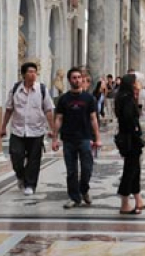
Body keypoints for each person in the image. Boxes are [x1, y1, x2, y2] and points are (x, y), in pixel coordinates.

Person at [1, 62, 55, 196]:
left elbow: (48, 110)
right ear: (23, 74)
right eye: (30, 72)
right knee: (16, 157)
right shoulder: (15, 90)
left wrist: (52, 129)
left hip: (36, 130)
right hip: (18, 130)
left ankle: (30, 184)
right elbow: (9, 109)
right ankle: (21, 176)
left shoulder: (42, 90)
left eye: (34, 72)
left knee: (34, 160)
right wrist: (3, 127)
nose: (33, 74)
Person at [52, 67, 102, 208]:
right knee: (71, 170)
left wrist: (97, 138)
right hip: (68, 138)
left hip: (85, 138)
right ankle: (74, 197)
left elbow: (93, 118)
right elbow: (59, 119)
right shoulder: (64, 99)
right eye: (74, 78)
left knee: (87, 168)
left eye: (79, 77)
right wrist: (55, 139)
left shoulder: (89, 98)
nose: (77, 80)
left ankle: (84, 189)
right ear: (69, 80)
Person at [115, 74, 145, 214]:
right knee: (130, 169)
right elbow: (129, 119)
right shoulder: (127, 99)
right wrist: (136, 131)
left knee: (135, 168)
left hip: (129, 137)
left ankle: (138, 199)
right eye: (136, 82)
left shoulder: (125, 97)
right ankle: (125, 203)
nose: (138, 84)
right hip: (130, 139)